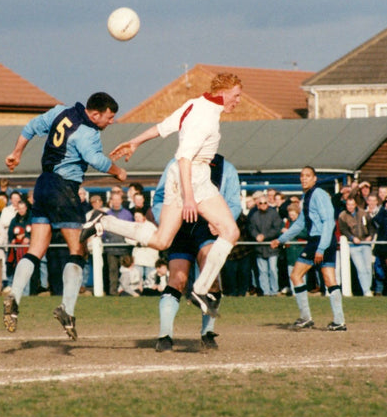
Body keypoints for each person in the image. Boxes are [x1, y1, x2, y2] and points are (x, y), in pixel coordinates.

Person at [84, 73, 243, 317]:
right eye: (236, 95)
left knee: (161, 240)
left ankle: (102, 220)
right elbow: (184, 157)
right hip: (192, 176)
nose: (238, 100)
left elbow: (163, 127)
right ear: (223, 92)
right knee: (230, 231)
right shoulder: (206, 117)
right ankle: (201, 290)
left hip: (183, 176)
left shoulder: (196, 103)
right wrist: (190, 198)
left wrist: (135, 142)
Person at [2, 92, 127, 339]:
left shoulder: (61, 111)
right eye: (109, 117)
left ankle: (15, 295)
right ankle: (67, 309)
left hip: (42, 185)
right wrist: (118, 172)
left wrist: (16, 153)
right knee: (78, 250)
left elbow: (31, 127)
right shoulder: (88, 132)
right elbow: (95, 159)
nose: (111, 122)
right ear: (95, 114)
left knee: (35, 250)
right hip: (63, 189)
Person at [154, 153, 242, 352]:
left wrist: (221, 222)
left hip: (207, 229)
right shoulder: (175, 164)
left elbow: (234, 203)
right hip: (180, 228)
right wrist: (166, 222)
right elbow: (159, 197)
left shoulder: (226, 168)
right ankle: (165, 336)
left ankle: (207, 333)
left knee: (212, 277)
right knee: (177, 280)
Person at [271, 166, 347, 331]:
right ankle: (339, 321)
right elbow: (300, 223)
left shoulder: (318, 194)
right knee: (329, 280)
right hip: (323, 240)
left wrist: (321, 247)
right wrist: (281, 239)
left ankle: (306, 317)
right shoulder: (306, 197)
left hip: (320, 240)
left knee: (296, 275)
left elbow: (328, 221)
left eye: (307, 176)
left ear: (314, 179)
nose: (303, 178)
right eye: (301, 176)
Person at [338, 197, 376, 296]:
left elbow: (372, 226)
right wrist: (351, 238)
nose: (350, 207)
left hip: (365, 243)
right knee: (360, 268)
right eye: (348, 204)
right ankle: (366, 290)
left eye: (352, 204)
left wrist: (370, 236)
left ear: (355, 204)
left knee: (368, 267)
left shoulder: (363, 213)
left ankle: (368, 288)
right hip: (354, 245)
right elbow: (343, 229)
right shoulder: (343, 216)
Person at [248, 192, 283, 296]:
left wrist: (264, 236)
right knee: (262, 271)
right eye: (261, 203)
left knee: (273, 270)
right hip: (260, 248)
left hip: (271, 247)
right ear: (257, 205)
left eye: (265, 203)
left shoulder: (274, 214)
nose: (263, 205)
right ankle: (266, 291)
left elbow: (277, 228)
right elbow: (251, 228)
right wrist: (256, 236)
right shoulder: (254, 216)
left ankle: (274, 291)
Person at [103, 191, 134, 296]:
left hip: (124, 248)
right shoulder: (107, 214)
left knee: (125, 271)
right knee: (112, 271)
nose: (116, 202)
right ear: (111, 201)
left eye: (118, 199)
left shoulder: (127, 214)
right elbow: (103, 231)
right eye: (114, 199)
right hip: (110, 248)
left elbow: (131, 229)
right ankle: (113, 292)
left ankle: (125, 291)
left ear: (121, 200)